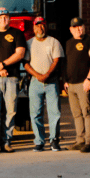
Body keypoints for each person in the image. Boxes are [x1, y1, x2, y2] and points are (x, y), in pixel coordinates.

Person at [0, 7, 27, 153]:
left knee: (11, 111)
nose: (3, 19)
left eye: (6, 17)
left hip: (12, 78)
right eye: (0, 17)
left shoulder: (17, 33)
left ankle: (7, 141)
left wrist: (2, 65)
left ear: (9, 18)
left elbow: (20, 53)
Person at [25, 16, 63, 152]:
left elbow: (56, 60)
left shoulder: (54, 42)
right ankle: (39, 141)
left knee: (55, 112)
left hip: (51, 82)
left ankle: (54, 140)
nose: (40, 28)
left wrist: (47, 75)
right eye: (37, 25)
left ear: (46, 27)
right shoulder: (29, 43)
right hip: (35, 83)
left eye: (42, 25)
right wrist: (37, 75)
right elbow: (25, 63)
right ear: (33, 27)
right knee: (35, 113)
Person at [63, 17, 90, 152]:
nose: (78, 29)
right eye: (75, 27)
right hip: (71, 84)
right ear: (71, 29)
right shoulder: (68, 43)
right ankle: (80, 140)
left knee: (87, 112)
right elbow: (66, 63)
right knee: (76, 114)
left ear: (84, 27)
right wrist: (65, 80)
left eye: (81, 26)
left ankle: (89, 142)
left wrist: (89, 79)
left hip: (83, 83)